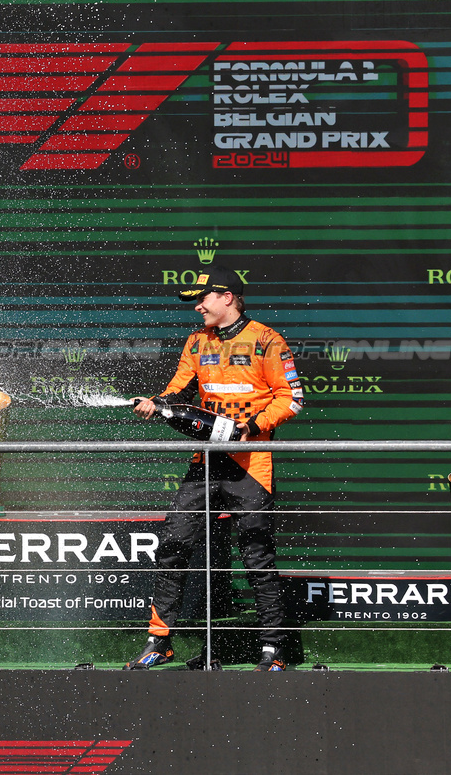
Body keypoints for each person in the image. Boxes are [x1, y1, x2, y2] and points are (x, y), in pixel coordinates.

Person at [128, 265, 304, 671]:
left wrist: (253, 426)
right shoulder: (197, 341)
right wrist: (156, 403)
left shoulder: (267, 340)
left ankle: (274, 648)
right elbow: (178, 389)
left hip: (252, 463)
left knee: (257, 556)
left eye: (202, 299)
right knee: (173, 547)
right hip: (206, 459)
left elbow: (291, 398)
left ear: (227, 297)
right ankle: (159, 641)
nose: (197, 308)